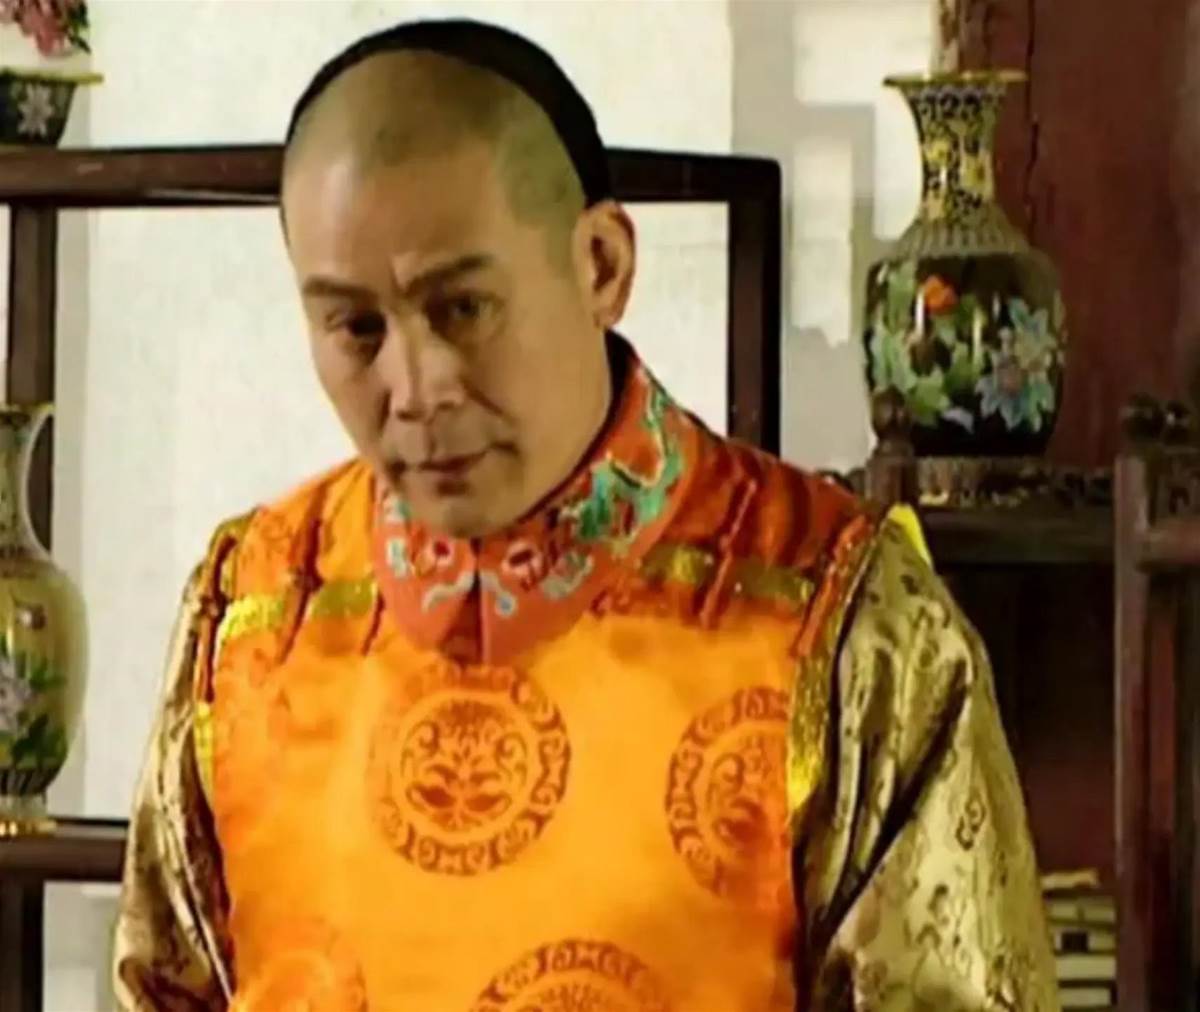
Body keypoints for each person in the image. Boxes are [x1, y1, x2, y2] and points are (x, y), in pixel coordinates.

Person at [113, 19, 1057, 1012]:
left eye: (462, 308)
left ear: (602, 264)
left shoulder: (840, 621)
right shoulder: (253, 617)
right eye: (356, 327)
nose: (417, 387)